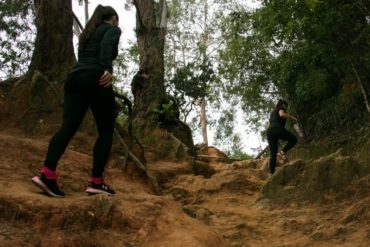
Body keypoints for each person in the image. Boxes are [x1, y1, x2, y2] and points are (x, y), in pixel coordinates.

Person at [31, 5, 121, 197]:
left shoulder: (87, 34)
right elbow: (106, 47)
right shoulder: (112, 29)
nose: (117, 23)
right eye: (117, 20)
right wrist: (107, 69)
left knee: (68, 127)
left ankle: (47, 173)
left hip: (75, 79)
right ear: (113, 18)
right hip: (97, 78)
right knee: (105, 131)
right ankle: (96, 182)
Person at [267, 99, 298, 174]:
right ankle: (282, 152)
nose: (286, 109)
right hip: (277, 129)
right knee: (294, 140)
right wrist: (293, 118)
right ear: (283, 105)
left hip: (269, 132)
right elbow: (282, 114)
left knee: (273, 154)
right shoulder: (281, 108)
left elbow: (269, 125)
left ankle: (271, 173)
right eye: (286, 106)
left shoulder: (272, 113)